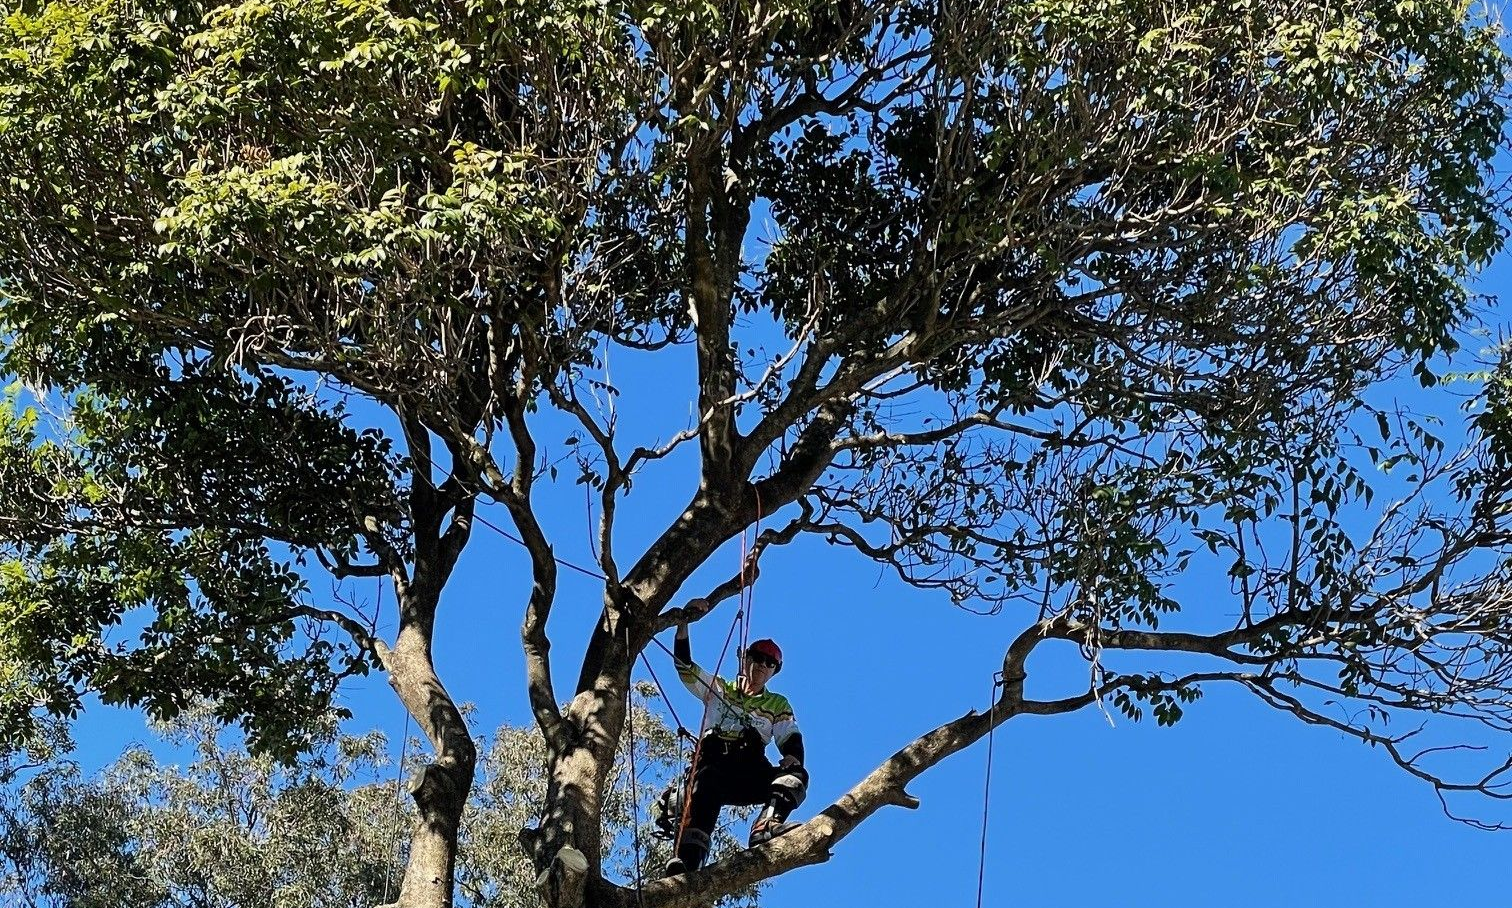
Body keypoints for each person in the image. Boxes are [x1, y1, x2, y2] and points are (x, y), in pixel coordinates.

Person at [660, 617, 807, 876]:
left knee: (796, 776)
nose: (763, 665)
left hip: (748, 769)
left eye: (770, 663)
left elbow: (790, 736)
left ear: (774, 671)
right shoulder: (719, 688)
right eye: (758, 658)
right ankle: (686, 867)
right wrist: (683, 626)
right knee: (703, 793)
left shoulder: (777, 704)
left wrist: (792, 757)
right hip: (713, 768)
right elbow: (685, 667)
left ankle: (766, 826)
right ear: (745, 658)